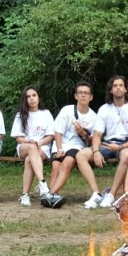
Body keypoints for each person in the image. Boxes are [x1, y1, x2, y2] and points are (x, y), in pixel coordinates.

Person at [78, 75, 128, 209]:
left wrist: (120, 146)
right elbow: (97, 135)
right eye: (115, 86)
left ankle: (111, 195)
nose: (118, 88)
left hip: (126, 143)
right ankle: (96, 194)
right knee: (81, 155)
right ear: (111, 90)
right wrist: (96, 151)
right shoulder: (104, 109)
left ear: (126, 90)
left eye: (121, 85)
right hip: (107, 144)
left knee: (125, 155)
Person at [42, 81, 97, 209]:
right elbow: (58, 131)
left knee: (66, 164)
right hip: (61, 143)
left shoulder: (94, 117)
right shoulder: (67, 110)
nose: (83, 95)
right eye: (80, 93)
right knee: (56, 166)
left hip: (77, 145)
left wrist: (83, 133)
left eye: (86, 93)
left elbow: (92, 140)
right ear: (76, 96)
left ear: (91, 97)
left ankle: (50, 194)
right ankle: (54, 196)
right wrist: (60, 148)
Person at [10, 86, 55, 206]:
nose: (31, 99)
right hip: (24, 146)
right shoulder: (20, 115)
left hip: (43, 147)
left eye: (34, 95)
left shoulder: (46, 114)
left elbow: (50, 136)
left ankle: (25, 195)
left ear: (38, 97)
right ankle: (42, 183)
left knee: (30, 160)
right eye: (28, 96)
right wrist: (30, 142)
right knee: (31, 148)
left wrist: (40, 143)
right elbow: (18, 138)